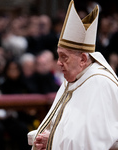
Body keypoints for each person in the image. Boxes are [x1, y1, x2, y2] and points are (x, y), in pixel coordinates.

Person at [28, 1, 118, 150]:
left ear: (83, 59)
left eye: (64, 57)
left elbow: (91, 144)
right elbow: (63, 126)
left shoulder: (101, 84)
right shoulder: (73, 79)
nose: (58, 63)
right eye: (58, 56)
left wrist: (52, 140)